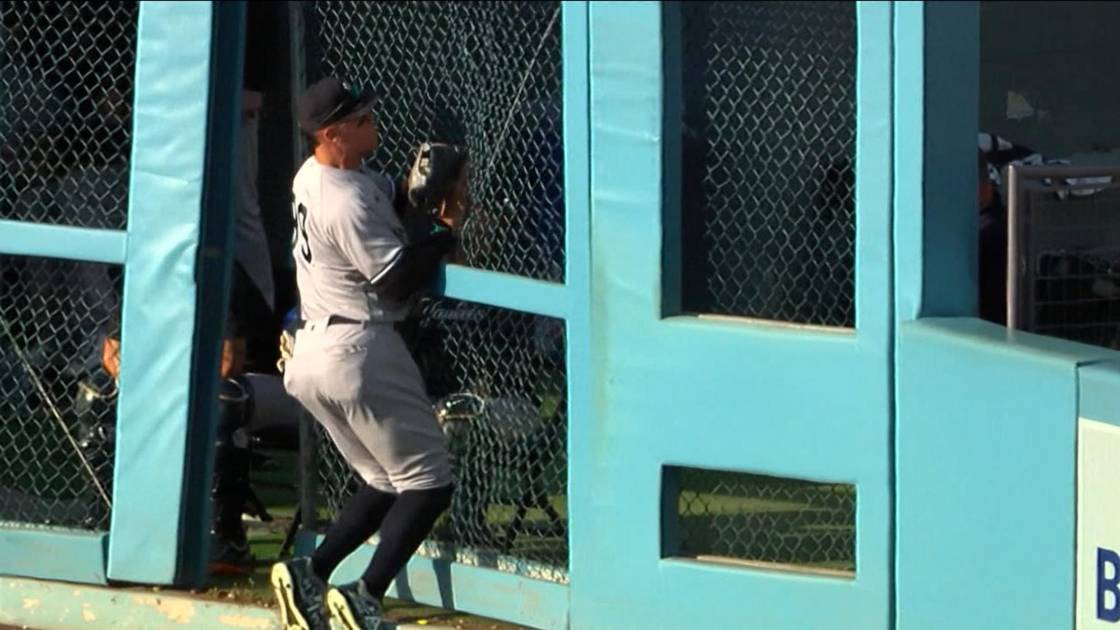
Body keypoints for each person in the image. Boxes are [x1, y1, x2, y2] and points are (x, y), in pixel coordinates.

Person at [271, 77, 466, 630]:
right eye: (360, 119)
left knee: (384, 480)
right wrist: (446, 230)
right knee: (429, 483)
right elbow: (395, 280)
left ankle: (311, 572)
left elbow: (390, 203)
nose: (372, 121)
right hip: (360, 347)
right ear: (333, 134)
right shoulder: (345, 199)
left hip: (312, 353)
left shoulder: (315, 175)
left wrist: (415, 190)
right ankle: (365, 596)